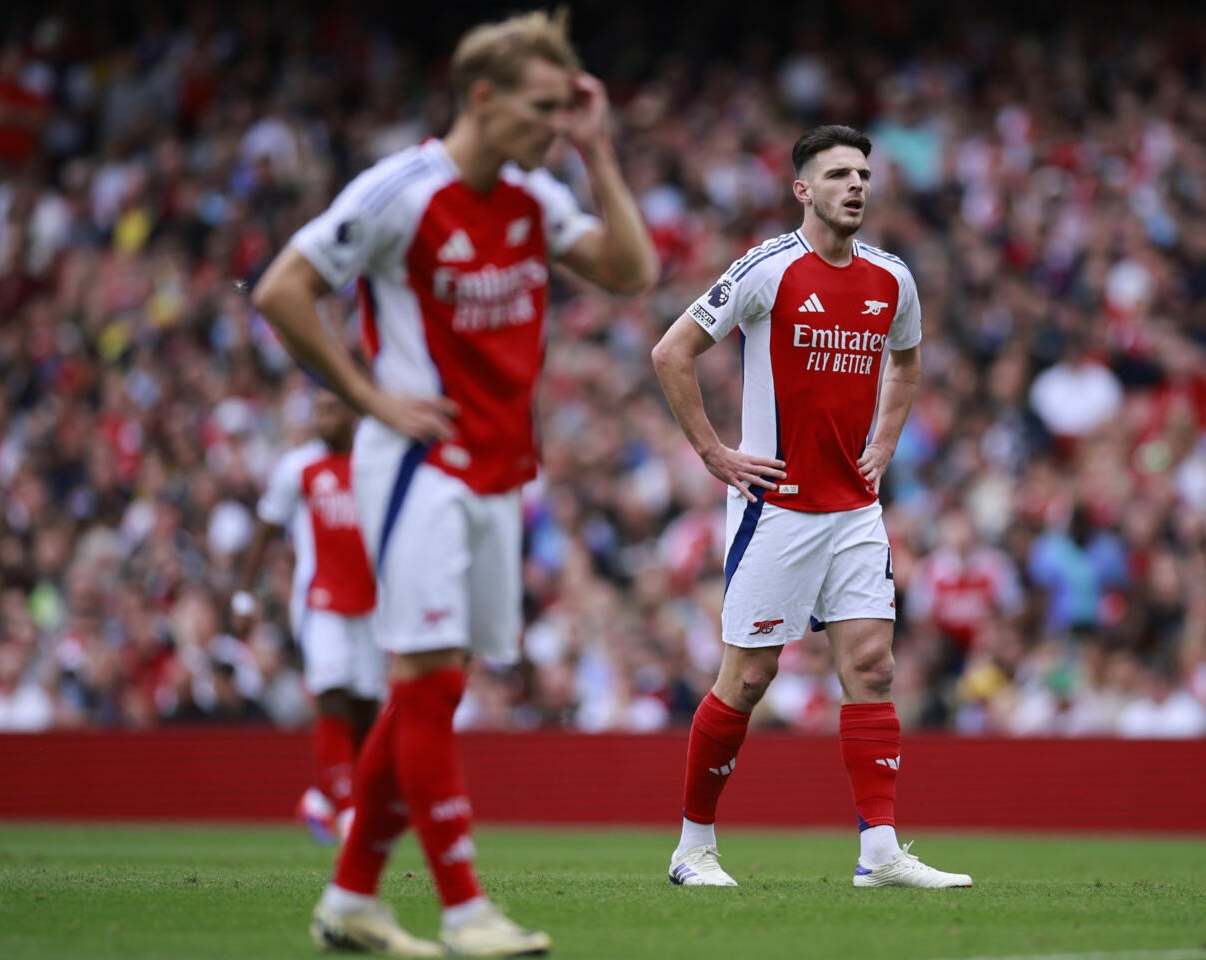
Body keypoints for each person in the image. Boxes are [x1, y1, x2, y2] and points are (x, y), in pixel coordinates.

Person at [252, 9, 657, 957]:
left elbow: (631, 272)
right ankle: (467, 908)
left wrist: (598, 152)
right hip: (418, 466)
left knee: (430, 689)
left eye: (567, 110)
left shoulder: (534, 195)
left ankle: (352, 897)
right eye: (543, 108)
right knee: (427, 680)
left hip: (500, 469)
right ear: (483, 96)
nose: (554, 125)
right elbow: (281, 288)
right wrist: (367, 397)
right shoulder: (399, 191)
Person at [651, 124, 971, 890]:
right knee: (750, 679)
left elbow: (908, 360)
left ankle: (880, 852)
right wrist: (714, 454)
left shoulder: (893, 278)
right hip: (779, 509)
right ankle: (692, 849)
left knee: (872, 665)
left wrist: (885, 445)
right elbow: (672, 351)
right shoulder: (767, 269)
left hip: (855, 509)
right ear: (803, 190)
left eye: (863, 173)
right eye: (837, 175)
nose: (856, 185)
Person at [233, 389, 383, 845]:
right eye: (319, 410)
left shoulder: (375, 465)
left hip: (372, 603)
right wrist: (244, 593)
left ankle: (322, 797)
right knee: (331, 695)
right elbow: (265, 526)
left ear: (354, 415)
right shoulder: (298, 468)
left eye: (333, 409)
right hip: (318, 601)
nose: (324, 418)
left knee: (365, 711)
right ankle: (350, 809)